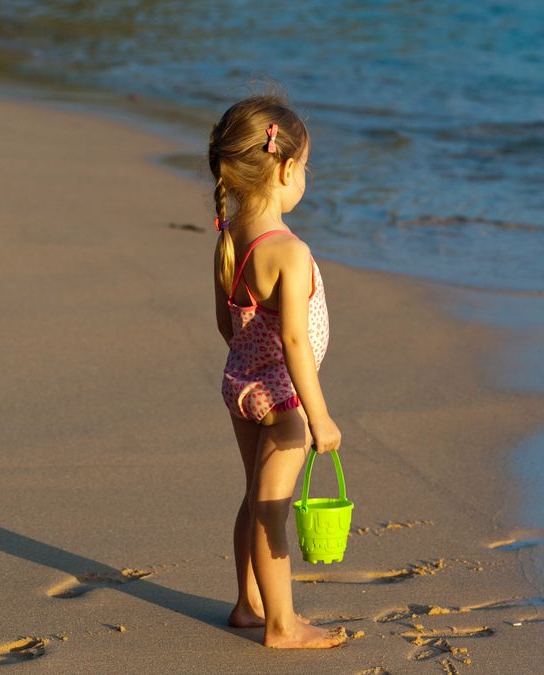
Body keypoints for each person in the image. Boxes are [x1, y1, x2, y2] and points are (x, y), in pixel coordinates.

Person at [209, 94, 348, 649]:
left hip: (240, 382)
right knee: (272, 510)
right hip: (284, 398)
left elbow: (227, 322)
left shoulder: (230, 236)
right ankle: (282, 625)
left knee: (254, 496)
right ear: (287, 169)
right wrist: (319, 417)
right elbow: (293, 339)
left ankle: (248, 604)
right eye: (306, 166)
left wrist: (250, 365)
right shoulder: (288, 251)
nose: (305, 176)